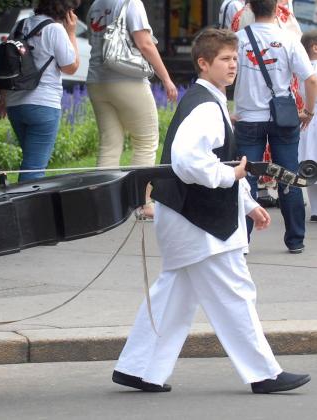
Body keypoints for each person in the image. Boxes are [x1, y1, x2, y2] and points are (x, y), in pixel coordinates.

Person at [113, 27, 311, 394]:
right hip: (199, 222)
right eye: (225, 59)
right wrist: (229, 177)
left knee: (175, 297)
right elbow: (189, 161)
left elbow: (213, 161)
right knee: (236, 293)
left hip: (187, 217)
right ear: (203, 64)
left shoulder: (207, 100)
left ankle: (138, 368)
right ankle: (264, 374)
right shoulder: (205, 106)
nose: (233, 65)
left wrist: (248, 203)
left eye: (235, 59)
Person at [233, 0, 317, 254]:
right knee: (288, 176)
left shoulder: (238, 39)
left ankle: (242, 242)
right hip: (284, 118)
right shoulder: (289, 39)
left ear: (250, 8)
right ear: (277, 9)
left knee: (246, 178)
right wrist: (308, 112)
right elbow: (311, 79)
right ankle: (295, 240)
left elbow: (226, 75)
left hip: (248, 118)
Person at [86, 0, 177, 218]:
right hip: (127, 79)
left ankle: (103, 206)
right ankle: (142, 203)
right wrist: (166, 78)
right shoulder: (132, 3)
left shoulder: (96, 5)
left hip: (96, 80)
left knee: (109, 144)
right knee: (146, 142)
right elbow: (144, 43)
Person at [0, 0, 80, 182]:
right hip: (43, 104)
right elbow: (71, 67)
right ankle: (24, 200)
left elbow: (7, 65)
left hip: (15, 104)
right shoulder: (55, 29)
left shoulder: (19, 26)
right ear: (66, 10)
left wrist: (3, 99)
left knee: (30, 162)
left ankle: (16, 195)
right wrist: (71, 33)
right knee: (34, 169)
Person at [299, 30, 317, 222]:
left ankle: (315, 210)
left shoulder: (301, 70)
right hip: (313, 115)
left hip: (307, 120)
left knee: (310, 166)